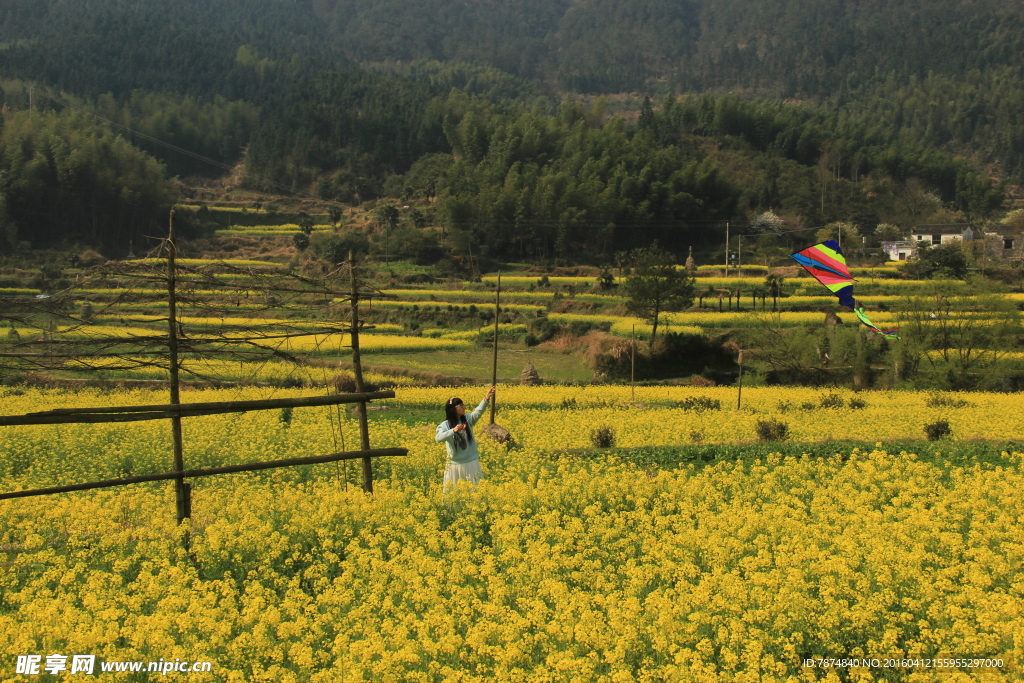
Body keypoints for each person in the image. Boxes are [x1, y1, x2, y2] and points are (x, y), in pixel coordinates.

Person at [436, 386, 495, 490]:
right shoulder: (445, 425)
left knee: (474, 492)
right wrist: (453, 431)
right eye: (460, 405)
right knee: (454, 494)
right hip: (454, 465)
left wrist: (486, 398)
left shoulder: (468, 419)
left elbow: (478, 411)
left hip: (471, 463)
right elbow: (438, 438)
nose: (463, 407)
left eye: (463, 404)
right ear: (452, 409)